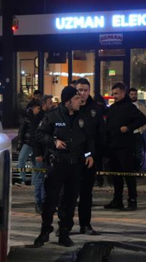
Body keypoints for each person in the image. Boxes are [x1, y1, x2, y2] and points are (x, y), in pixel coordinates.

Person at [33, 86, 95, 247]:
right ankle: (45, 230)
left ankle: (64, 232)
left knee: (70, 200)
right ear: (67, 101)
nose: (80, 100)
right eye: (76, 98)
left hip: (74, 166)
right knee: (51, 200)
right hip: (57, 165)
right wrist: (54, 142)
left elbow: (88, 138)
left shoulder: (82, 117)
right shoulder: (52, 116)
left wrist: (89, 155)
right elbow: (39, 134)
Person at [103, 83, 146, 211]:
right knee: (116, 175)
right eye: (113, 93)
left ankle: (132, 200)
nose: (114, 96)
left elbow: (142, 120)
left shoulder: (129, 107)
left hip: (125, 147)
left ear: (123, 93)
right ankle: (117, 200)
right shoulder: (112, 108)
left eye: (116, 93)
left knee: (128, 174)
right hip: (113, 146)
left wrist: (128, 128)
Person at [74, 78, 105, 235]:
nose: (82, 93)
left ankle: (85, 224)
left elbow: (100, 133)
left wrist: (97, 155)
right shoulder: (70, 107)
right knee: (68, 194)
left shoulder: (95, 109)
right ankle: (64, 225)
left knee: (86, 194)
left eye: (85, 90)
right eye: (80, 90)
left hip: (89, 158)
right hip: (71, 158)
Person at [26, 95, 53, 214]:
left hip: (46, 153)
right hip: (40, 154)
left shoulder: (47, 116)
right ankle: (39, 204)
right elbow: (34, 137)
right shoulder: (38, 118)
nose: (52, 104)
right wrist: (38, 153)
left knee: (44, 179)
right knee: (39, 179)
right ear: (44, 105)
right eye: (50, 102)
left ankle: (44, 202)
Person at [129, 88, 146, 171]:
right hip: (128, 133)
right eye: (132, 94)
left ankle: (137, 168)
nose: (134, 96)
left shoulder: (141, 106)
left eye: (135, 94)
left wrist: (142, 129)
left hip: (138, 132)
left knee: (139, 152)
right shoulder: (126, 106)